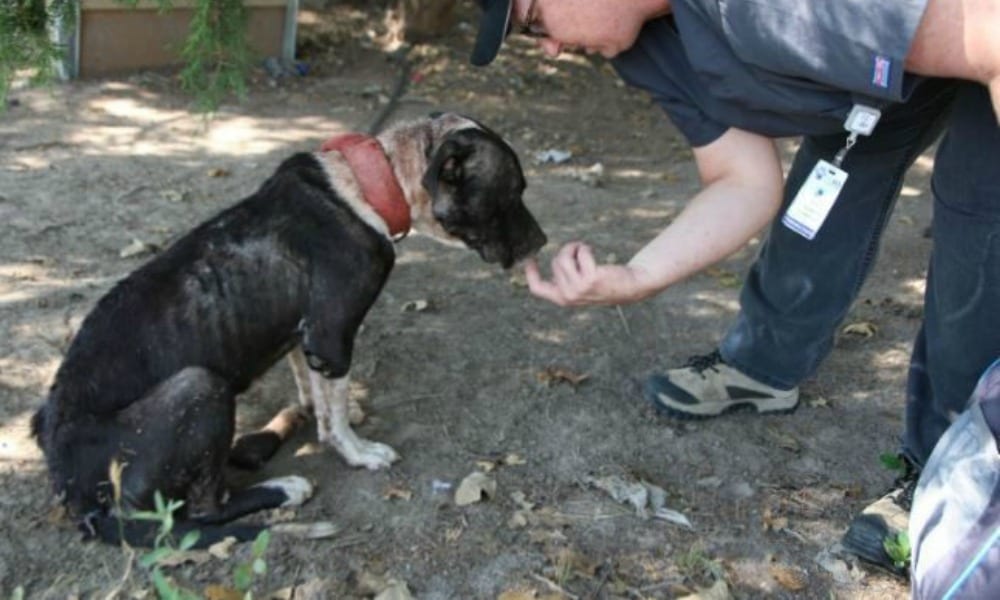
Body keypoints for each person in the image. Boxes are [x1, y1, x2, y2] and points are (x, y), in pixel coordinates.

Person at [470, 0, 1000, 576]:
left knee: (980, 229)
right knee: (831, 180)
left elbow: (992, 37)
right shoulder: (643, 43)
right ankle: (764, 367)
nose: (547, 47)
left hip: (978, 32)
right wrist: (638, 277)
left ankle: (960, 475)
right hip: (889, 60)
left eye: (533, 23)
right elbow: (741, 180)